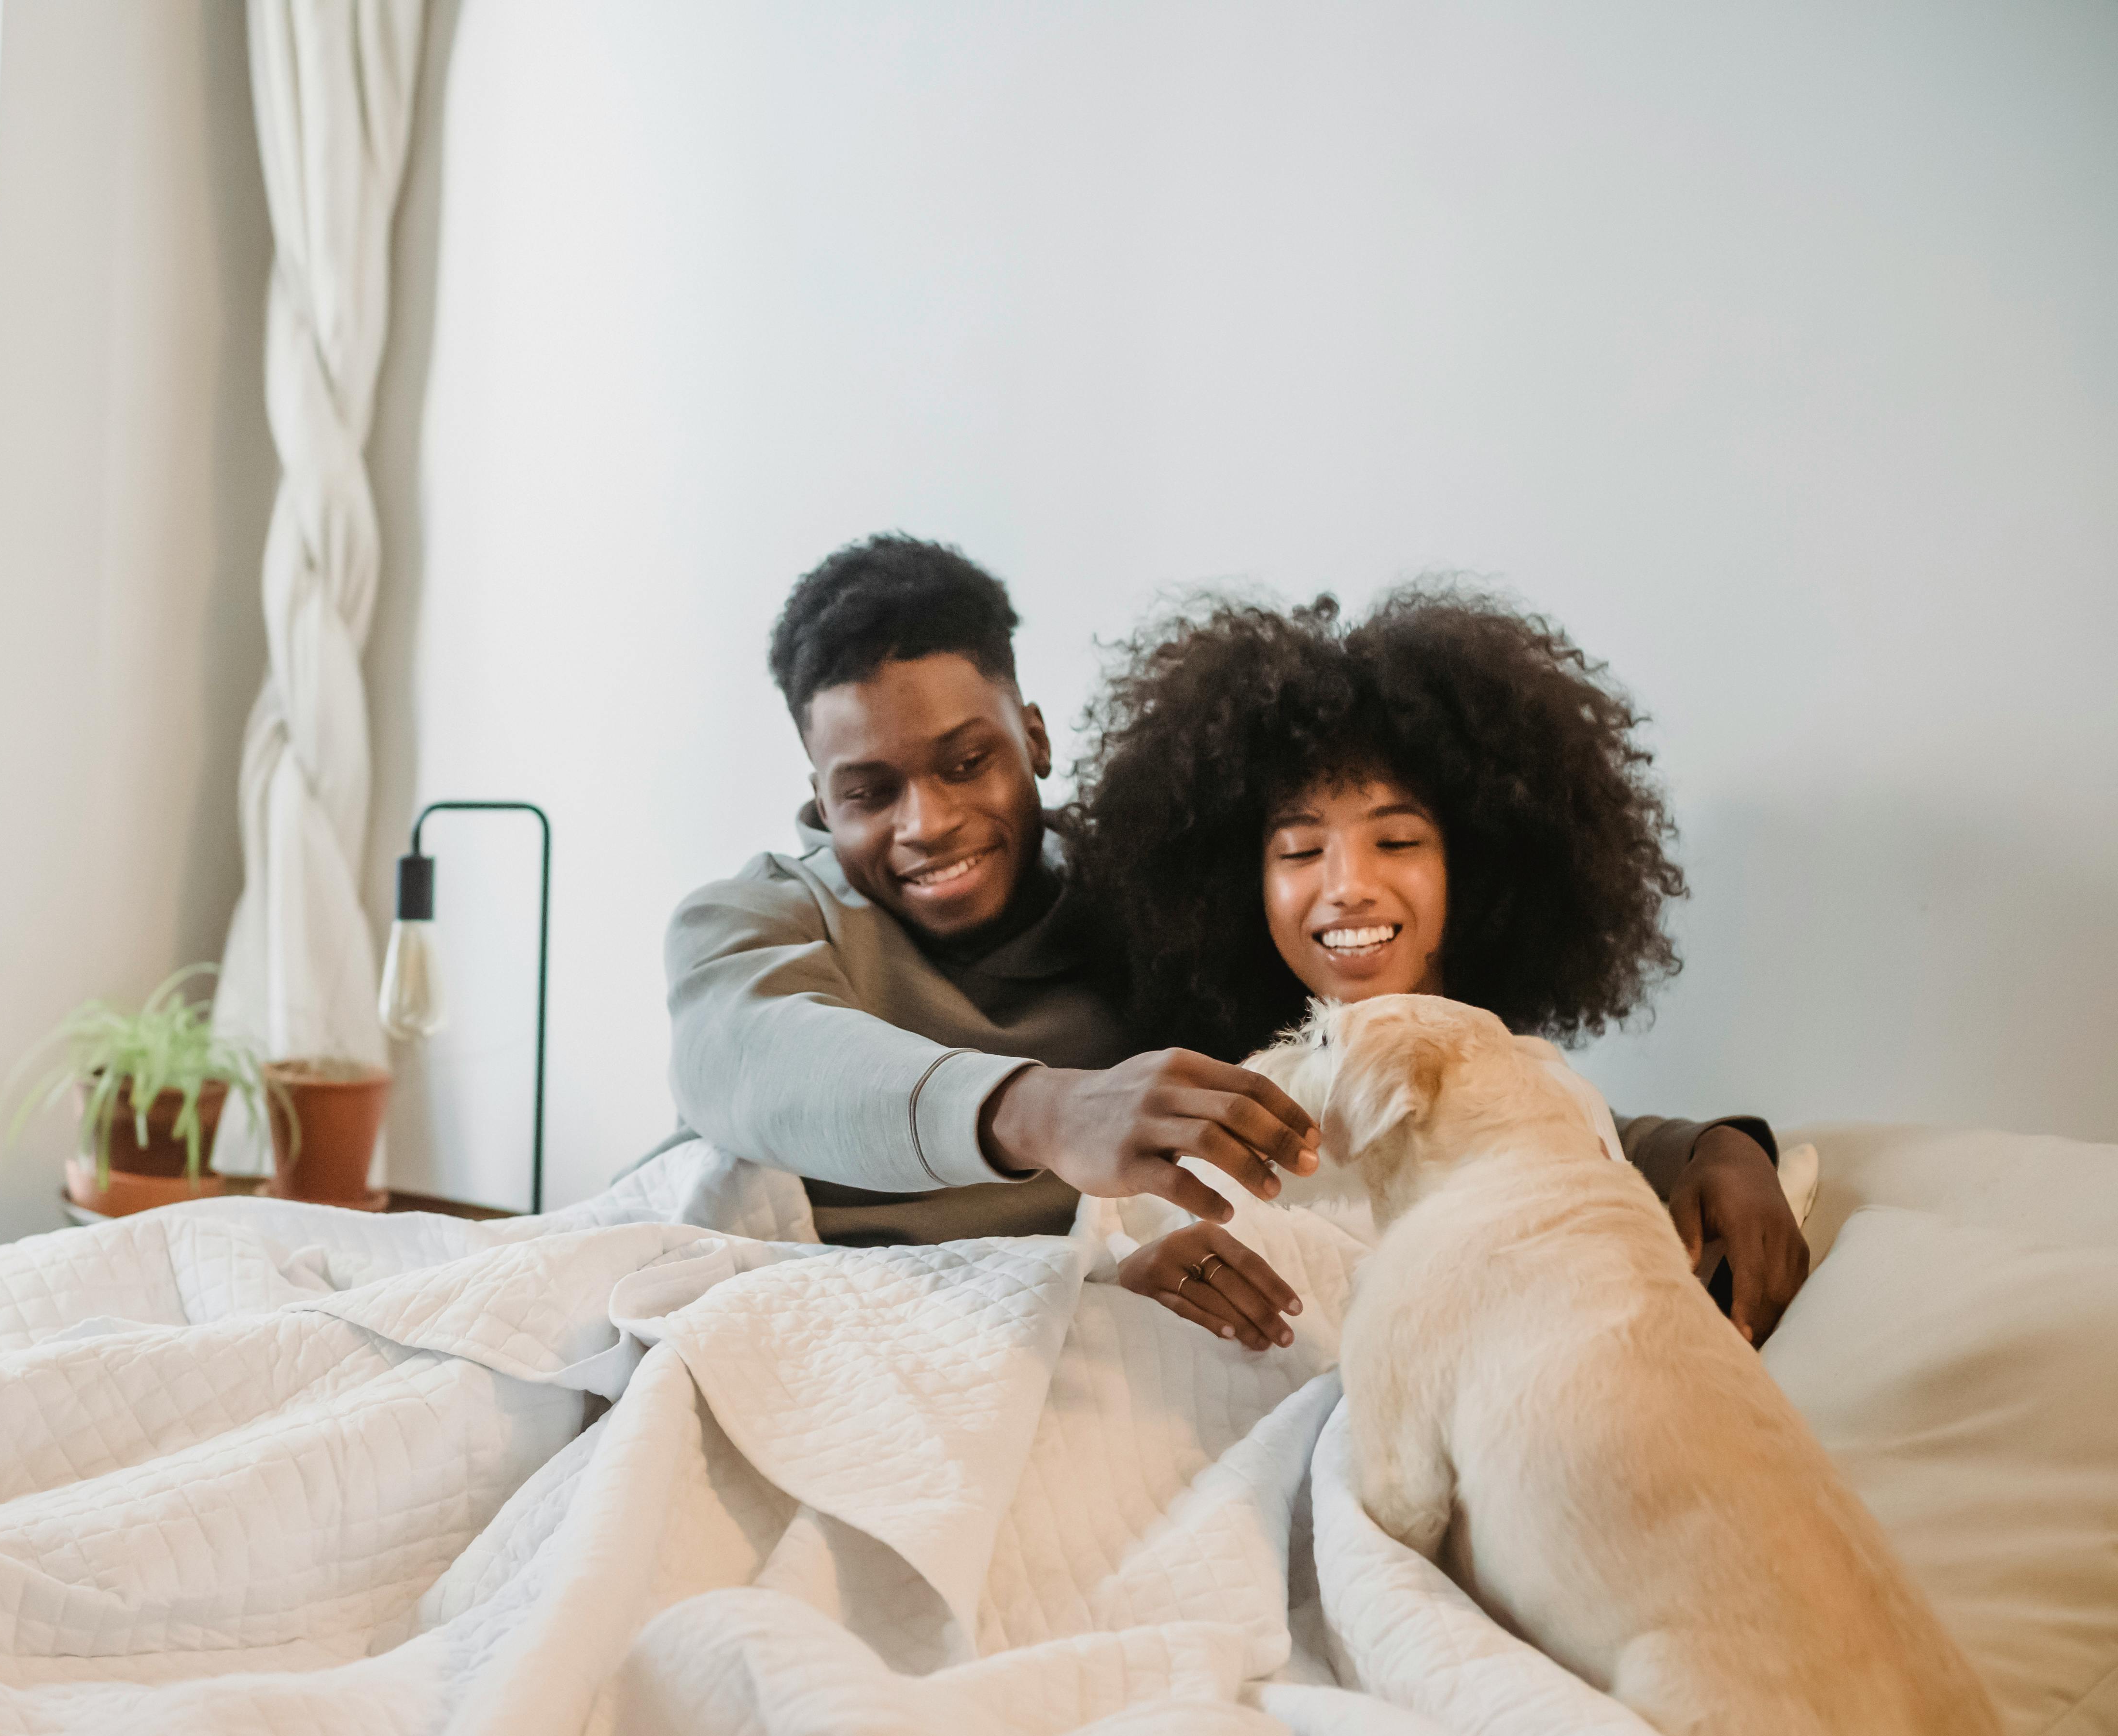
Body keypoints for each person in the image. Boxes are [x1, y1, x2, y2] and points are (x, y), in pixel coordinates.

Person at [662, 536, 1763, 1269]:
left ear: (1034, 738)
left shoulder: (1146, 909)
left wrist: (1691, 1147)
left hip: (1075, 1322)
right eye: (869, 792)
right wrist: (1043, 1109)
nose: (927, 822)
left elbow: (1355, 1085)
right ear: (817, 795)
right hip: (810, 1296)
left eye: (965, 763)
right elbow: (750, 1059)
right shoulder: (758, 922)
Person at [1061, 585, 1811, 1345]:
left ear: (1477, 868)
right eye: (1299, 850)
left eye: (1397, 842)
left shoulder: (1527, 1081)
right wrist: (1133, 1277)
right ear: (1238, 882)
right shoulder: (1201, 1098)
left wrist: (1722, 1144)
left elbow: (1581, 1138)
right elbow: (1103, 1249)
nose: (1349, 886)